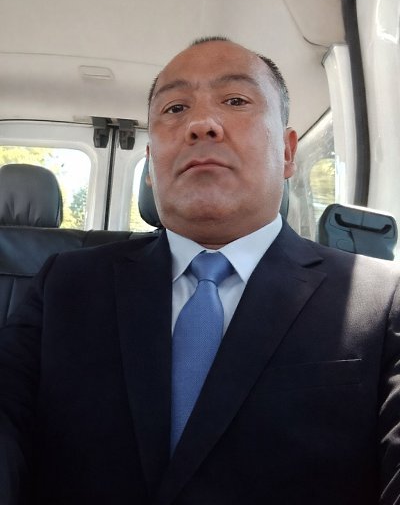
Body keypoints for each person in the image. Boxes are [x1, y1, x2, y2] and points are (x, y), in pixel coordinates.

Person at [1, 37, 400, 505]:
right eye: (175, 108)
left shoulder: (379, 299)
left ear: (288, 152)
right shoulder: (65, 284)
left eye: (235, 100)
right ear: (151, 166)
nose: (201, 124)